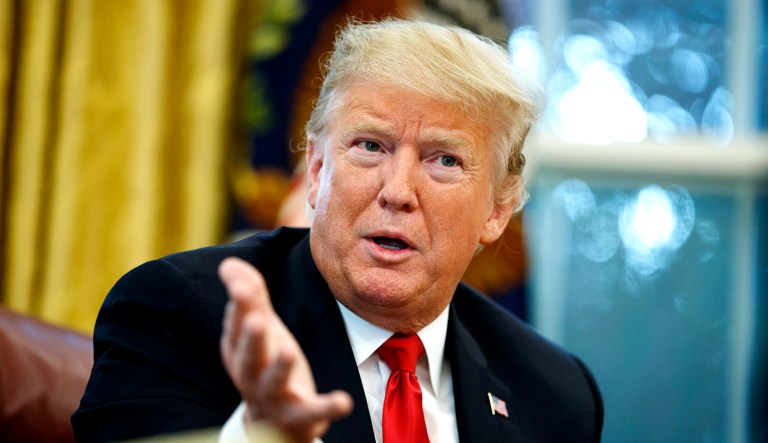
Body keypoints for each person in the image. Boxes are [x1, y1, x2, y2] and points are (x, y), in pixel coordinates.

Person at [72, 18, 603, 443]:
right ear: (318, 169)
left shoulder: (554, 392)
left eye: (443, 160)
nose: (397, 190)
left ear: (497, 209)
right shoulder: (177, 316)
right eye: (370, 146)